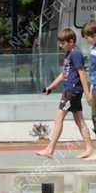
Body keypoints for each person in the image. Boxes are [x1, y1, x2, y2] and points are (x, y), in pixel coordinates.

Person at [36, 27, 95, 158]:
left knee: (58, 118)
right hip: (69, 90)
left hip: (72, 91)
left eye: (63, 43)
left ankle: (50, 149)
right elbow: (64, 74)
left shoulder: (76, 54)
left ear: (71, 41)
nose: (60, 45)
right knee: (79, 120)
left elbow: (82, 73)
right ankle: (90, 148)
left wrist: (86, 92)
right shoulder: (69, 53)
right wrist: (50, 87)